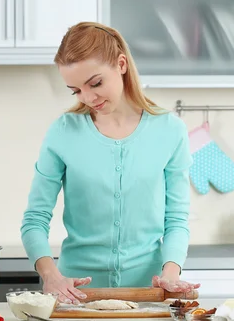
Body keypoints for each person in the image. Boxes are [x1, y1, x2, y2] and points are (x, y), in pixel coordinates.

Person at [20, 21, 200, 305]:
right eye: (76, 90)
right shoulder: (64, 131)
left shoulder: (169, 130)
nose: (88, 98)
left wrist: (171, 273)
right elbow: (34, 219)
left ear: (121, 64)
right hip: (77, 299)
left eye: (95, 83)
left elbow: (176, 219)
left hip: (146, 296)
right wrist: (51, 275)